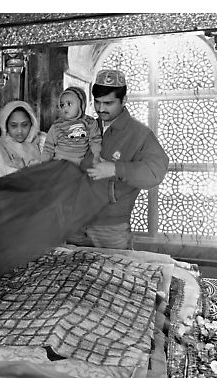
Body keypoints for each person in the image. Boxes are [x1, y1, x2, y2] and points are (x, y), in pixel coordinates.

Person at [76, 69, 169, 250]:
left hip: (110, 227)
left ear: (124, 100)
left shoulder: (139, 134)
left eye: (108, 103)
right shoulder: (88, 127)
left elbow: (155, 171)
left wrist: (116, 169)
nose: (101, 109)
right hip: (75, 222)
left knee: (115, 274)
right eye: (97, 102)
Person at [41, 86, 102, 166]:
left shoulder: (89, 122)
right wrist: (44, 162)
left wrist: (96, 156)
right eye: (62, 105)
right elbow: (48, 146)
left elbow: (95, 141)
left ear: (81, 105)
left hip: (80, 164)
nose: (65, 107)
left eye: (69, 104)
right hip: (59, 162)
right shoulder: (57, 125)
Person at [0, 101, 44, 178]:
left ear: (32, 123)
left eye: (24, 125)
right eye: (14, 125)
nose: (20, 131)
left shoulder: (42, 143)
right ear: (5, 126)